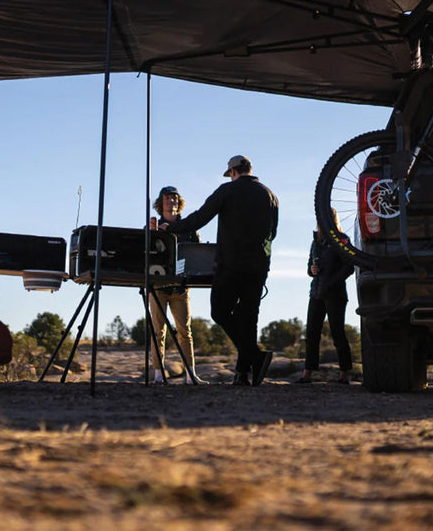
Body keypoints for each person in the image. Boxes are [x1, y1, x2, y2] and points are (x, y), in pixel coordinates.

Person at [162, 155, 278, 387]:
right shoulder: (269, 195)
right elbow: (272, 232)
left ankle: (253, 358)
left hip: (231, 264)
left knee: (220, 312)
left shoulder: (227, 191)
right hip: (259, 264)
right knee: (249, 317)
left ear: (233, 172)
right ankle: (243, 374)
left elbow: (199, 218)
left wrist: (172, 229)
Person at [148, 185, 206, 385]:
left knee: (185, 331)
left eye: (174, 198)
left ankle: (191, 375)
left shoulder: (189, 227)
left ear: (178, 202)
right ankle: (158, 374)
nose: (171, 201)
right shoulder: (154, 226)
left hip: (181, 287)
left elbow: (197, 253)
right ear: (160, 203)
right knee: (158, 331)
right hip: (158, 286)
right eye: (167, 198)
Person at [297, 210, 354, 384]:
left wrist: (332, 282)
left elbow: (349, 267)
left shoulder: (342, 239)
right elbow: (309, 267)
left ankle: (345, 374)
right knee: (312, 334)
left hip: (335, 294)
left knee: (338, 333)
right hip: (316, 293)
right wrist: (311, 270)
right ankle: (307, 374)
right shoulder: (315, 241)